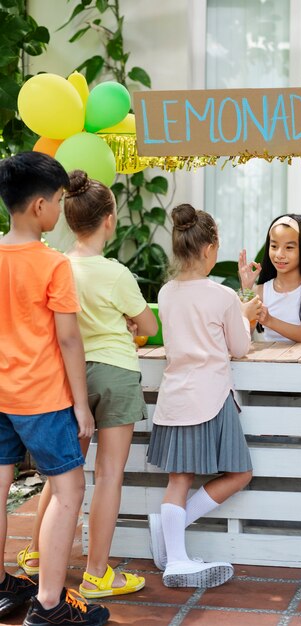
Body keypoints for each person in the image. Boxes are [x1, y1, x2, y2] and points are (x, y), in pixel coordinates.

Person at [16, 169, 159, 601]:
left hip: (68, 377)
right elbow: (149, 326)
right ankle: (98, 573)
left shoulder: (57, 265)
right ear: (109, 220)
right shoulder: (116, 274)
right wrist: (128, 320)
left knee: (62, 478)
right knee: (109, 475)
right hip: (115, 372)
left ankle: (39, 555)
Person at [0, 152, 109, 626]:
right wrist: (82, 407)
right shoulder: (52, 265)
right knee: (68, 490)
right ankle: (48, 606)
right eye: (59, 200)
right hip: (41, 397)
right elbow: (69, 338)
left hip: (1, 394)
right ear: (40, 206)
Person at [147, 203, 261, 589]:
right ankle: (175, 555)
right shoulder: (223, 295)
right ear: (210, 249)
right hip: (211, 398)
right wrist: (245, 313)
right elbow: (241, 347)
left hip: (175, 398)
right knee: (240, 473)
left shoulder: (165, 293)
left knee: (179, 480)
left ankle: (170, 535)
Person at [238, 213, 301, 343]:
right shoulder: (261, 290)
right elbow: (243, 336)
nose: (279, 254)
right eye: (274, 246)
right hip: (269, 361)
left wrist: (269, 320)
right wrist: (246, 289)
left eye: (289, 247)